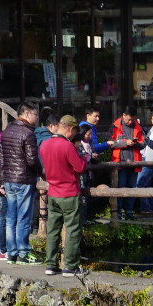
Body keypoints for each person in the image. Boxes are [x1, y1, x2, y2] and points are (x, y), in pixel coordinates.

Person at [38, 114, 88, 275]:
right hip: (69, 193)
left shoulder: (44, 145)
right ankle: (70, 266)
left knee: (53, 229)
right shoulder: (67, 146)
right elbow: (79, 167)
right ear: (71, 129)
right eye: (74, 132)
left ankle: (51, 264)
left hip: (52, 192)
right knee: (73, 230)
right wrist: (86, 159)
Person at [0, 104, 41, 263]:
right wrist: (42, 173)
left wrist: (2, 180)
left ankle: (11, 253)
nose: (36, 118)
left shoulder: (5, 132)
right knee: (23, 218)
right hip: (24, 180)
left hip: (8, 181)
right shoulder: (28, 134)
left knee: (11, 217)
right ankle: (23, 253)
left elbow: (0, 159)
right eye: (35, 114)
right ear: (27, 114)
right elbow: (32, 160)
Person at [108, 107, 144, 219]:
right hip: (120, 162)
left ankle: (129, 212)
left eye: (132, 120)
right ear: (123, 115)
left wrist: (135, 144)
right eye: (129, 119)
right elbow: (110, 142)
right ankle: (117, 212)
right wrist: (124, 143)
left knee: (132, 188)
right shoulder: (115, 126)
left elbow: (143, 143)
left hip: (134, 162)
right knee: (121, 187)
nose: (130, 122)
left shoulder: (138, 127)